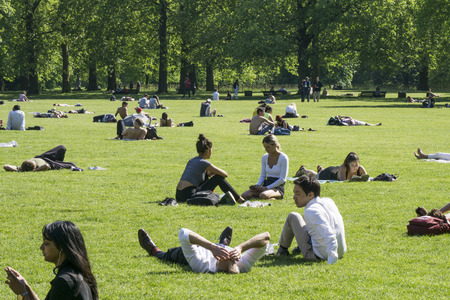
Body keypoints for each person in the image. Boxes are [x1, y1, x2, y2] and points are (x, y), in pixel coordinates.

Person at [5, 221, 98, 299]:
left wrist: (22, 293)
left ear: (62, 247)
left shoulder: (64, 282)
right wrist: (25, 286)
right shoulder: (77, 274)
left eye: (46, 243)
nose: (41, 247)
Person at [138, 227, 270, 274]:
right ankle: (223, 243)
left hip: (196, 250)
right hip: (211, 247)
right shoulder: (243, 264)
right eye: (234, 258)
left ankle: (153, 250)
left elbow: (184, 233)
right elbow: (266, 237)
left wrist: (212, 248)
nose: (230, 255)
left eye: (226, 257)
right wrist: (241, 247)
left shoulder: (201, 264)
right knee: (221, 246)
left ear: (218, 262)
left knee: (172, 254)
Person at [276, 176, 346, 264]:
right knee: (306, 219)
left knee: (293, 216)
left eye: (297, 194)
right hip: (341, 251)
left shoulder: (312, 211)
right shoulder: (328, 201)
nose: (294, 197)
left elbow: (328, 234)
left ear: (310, 195)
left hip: (319, 255)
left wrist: (332, 256)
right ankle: (300, 246)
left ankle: (282, 250)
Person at [176, 134, 245, 203]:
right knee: (218, 178)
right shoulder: (203, 162)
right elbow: (225, 174)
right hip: (189, 195)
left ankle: (237, 199)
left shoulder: (192, 160)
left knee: (209, 176)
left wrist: (207, 173)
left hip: (179, 195)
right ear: (209, 149)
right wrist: (213, 173)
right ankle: (240, 200)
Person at [242, 135, 289, 200]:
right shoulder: (264, 157)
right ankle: (267, 197)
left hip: (277, 187)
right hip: (266, 184)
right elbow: (263, 176)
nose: (266, 150)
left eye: (268, 147)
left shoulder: (283, 158)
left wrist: (266, 188)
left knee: (263, 195)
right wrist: (257, 186)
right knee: (245, 195)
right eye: (264, 147)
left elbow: (282, 179)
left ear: (275, 145)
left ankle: (273, 197)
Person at [296, 152, 367, 181]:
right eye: (352, 165)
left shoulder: (360, 168)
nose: (355, 167)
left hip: (336, 170)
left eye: (356, 165)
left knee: (319, 173)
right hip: (329, 174)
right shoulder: (343, 167)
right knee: (314, 176)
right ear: (348, 165)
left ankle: (321, 170)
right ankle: (303, 170)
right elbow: (343, 181)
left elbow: (367, 179)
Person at [3, 145, 79, 172]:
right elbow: (47, 166)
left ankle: (59, 162)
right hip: (51, 163)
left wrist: (17, 169)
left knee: (62, 147)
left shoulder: (22, 167)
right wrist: (36, 170)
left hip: (42, 156)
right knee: (72, 165)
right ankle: (59, 163)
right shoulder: (37, 167)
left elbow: (6, 166)